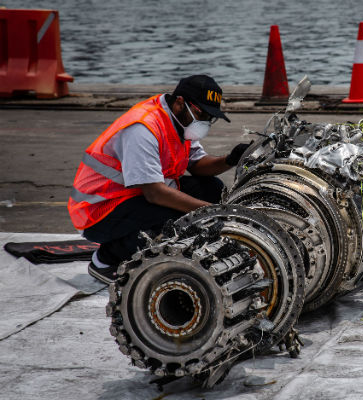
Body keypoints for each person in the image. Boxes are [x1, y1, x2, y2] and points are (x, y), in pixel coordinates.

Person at [68, 75, 250, 283]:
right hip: (99, 210)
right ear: (180, 103)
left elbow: (198, 165)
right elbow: (155, 193)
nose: (205, 122)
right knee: (172, 218)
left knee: (212, 188)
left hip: (136, 196)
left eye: (210, 117)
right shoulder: (143, 127)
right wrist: (212, 212)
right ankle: (106, 259)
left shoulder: (180, 123)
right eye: (201, 114)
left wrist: (231, 159)